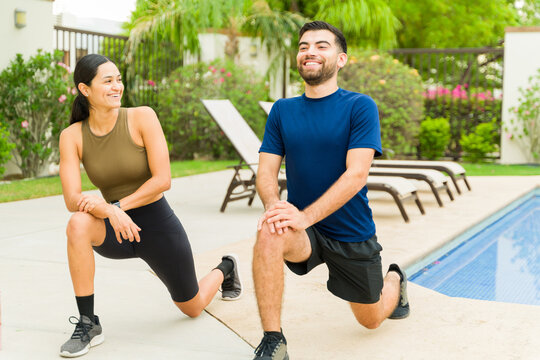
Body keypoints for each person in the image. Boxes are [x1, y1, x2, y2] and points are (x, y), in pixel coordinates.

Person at [58, 54, 242, 358]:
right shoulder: (72, 136)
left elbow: (162, 180)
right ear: (85, 89)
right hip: (113, 228)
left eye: (119, 79)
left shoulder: (142, 116)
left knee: (192, 307)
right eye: (108, 81)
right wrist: (109, 212)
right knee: (77, 223)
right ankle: (88, 323)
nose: (117, 86)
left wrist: (117, 206)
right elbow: (71, 200)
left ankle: (226, 268)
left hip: (156, 225)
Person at [252, 21, 409, 359]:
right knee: (268, 231)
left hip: (350, 233)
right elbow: (266, 172)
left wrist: (304, 216)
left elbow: (356, 175)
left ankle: (395, 280)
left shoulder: (359, 106)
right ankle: (273, 340)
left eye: (322, 45)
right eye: (304, 45)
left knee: (371, 320)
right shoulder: (282, 111)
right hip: (303, 230)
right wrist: (275, 207)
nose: (310, 51)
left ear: (341, 59)